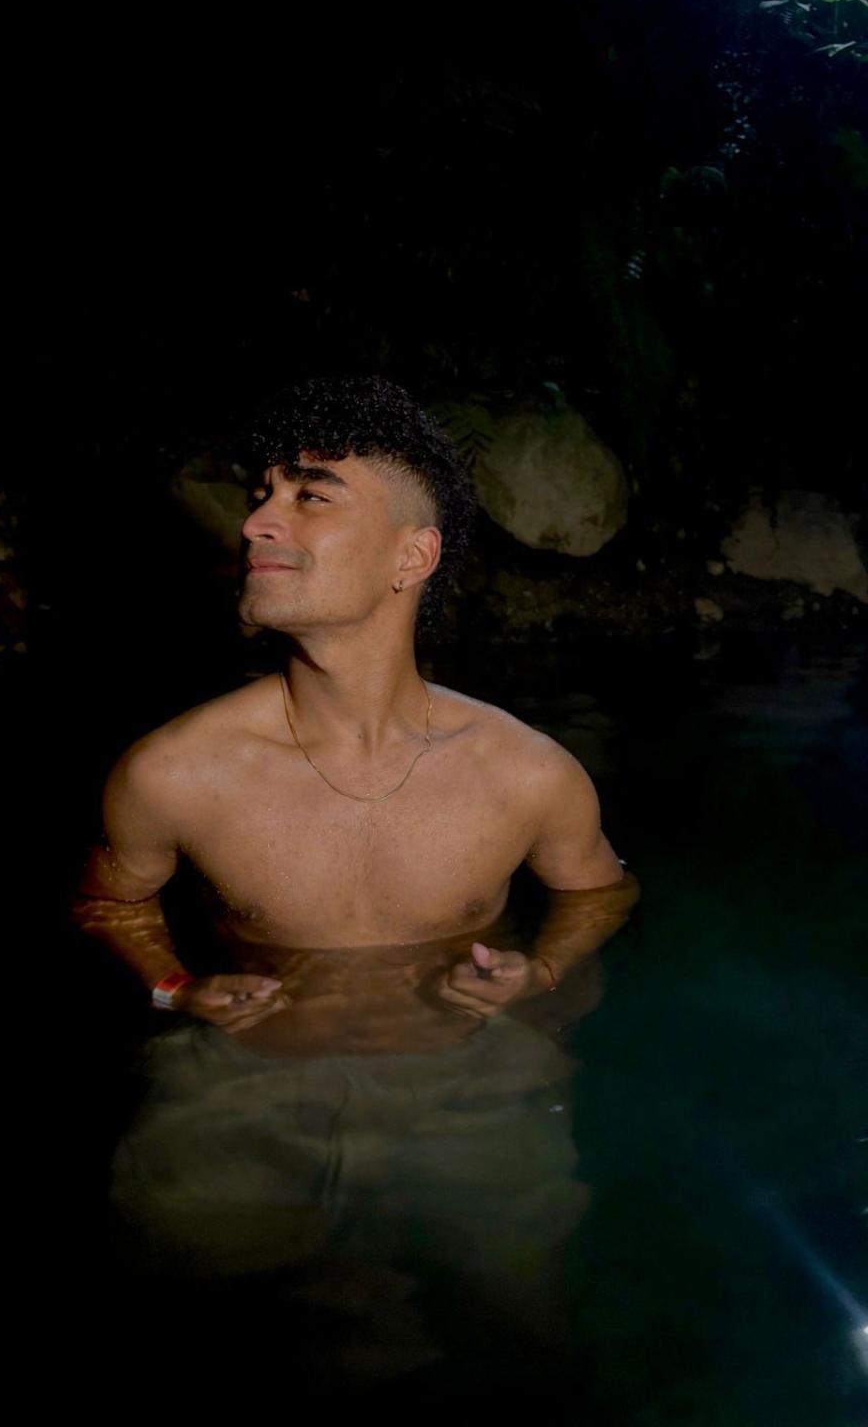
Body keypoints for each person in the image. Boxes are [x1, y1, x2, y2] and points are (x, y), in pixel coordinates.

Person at [71, 374, 641, 1390]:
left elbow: (603, 892)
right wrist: (174, 986)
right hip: (242, 1087)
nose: (257, 520)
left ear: (411, 558)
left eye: (311, 496)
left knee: (530, 1332)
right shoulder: (174, 773)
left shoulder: (524, 771)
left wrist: (546, 971)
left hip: (470, 1084)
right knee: (171, 1322)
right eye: (262, 494)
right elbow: (109, 901)